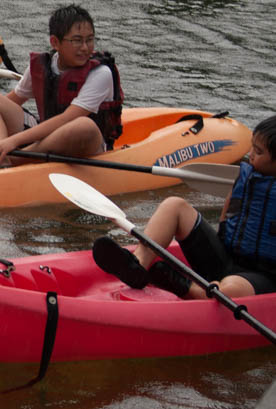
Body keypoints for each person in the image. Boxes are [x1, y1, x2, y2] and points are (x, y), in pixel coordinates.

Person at [93, 115, 276, 299]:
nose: (251, 153)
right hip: (224, 258)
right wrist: (211, 244)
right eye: (252, 146)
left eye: (259, 152)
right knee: (174, 205)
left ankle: (190, 289)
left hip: (262, 276)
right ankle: (138, 265)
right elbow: (226, 215)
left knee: (232, 288)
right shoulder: (246, 176)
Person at [0, 4, 123, 169]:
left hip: (87, 144)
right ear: (55, 42)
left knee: (84, 125)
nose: (85, 48)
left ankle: (10, 161)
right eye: (77, 40)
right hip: (46, 136)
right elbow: (11, 102)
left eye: (89, 40)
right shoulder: (42, 66)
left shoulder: (101, 73)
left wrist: (12, 142)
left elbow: (68, 118)